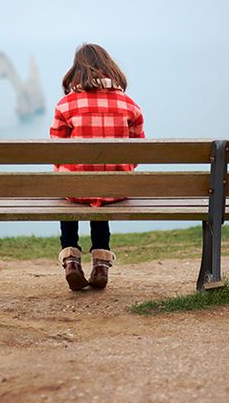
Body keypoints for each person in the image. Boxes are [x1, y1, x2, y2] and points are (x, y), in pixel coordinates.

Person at [49, 43, 145, 290]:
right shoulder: (129, 105)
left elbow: (55, 150)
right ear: (109, 68)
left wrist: (66, 170)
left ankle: (71, 258)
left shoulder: (66, 105)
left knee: (71, 184)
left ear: (76, 71)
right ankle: (101, 263)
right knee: (102, 191)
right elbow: (138, 150)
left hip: (76, 188)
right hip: (116, 187)